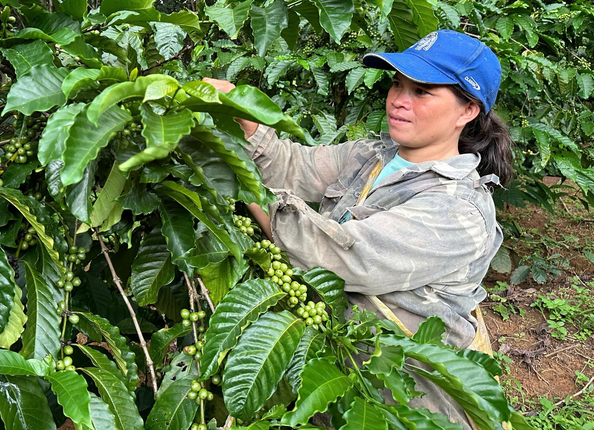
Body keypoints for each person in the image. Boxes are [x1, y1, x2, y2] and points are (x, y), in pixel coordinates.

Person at [204, 29, 513, 428]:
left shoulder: (459, 210)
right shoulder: (369, 155)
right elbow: (292, 166)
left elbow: (337, 256)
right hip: (331, 367)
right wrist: (245, 121)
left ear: (466, 111)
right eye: (397, 84)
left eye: (422, 92)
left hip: (403, 397)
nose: (398, 100)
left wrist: (235, 175)